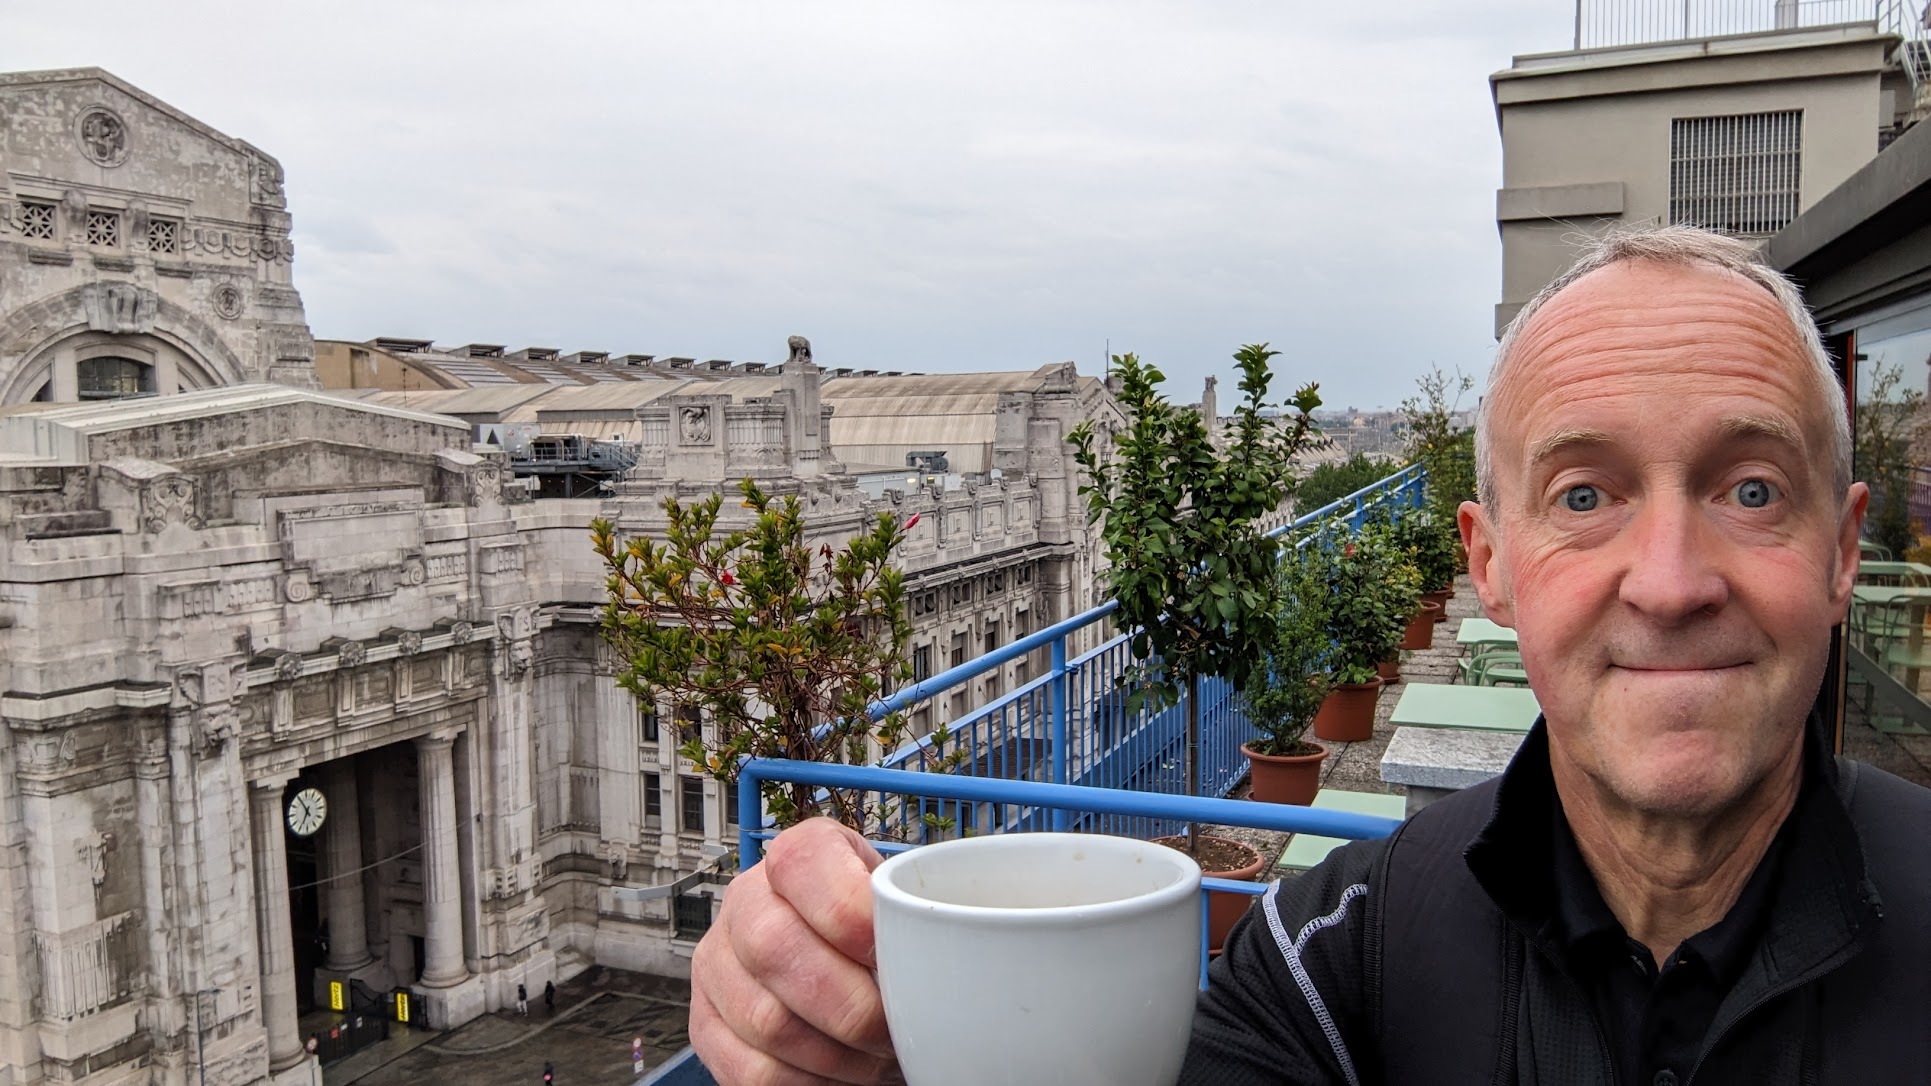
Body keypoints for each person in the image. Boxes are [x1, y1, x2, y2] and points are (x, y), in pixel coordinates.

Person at [684, 225, 1931, 1084]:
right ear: (1487, 565)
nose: (1665, 582)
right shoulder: (1325, 963)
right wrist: (863, 1022)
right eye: (1585, 496)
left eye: (1752, 489)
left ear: (1840, 551)